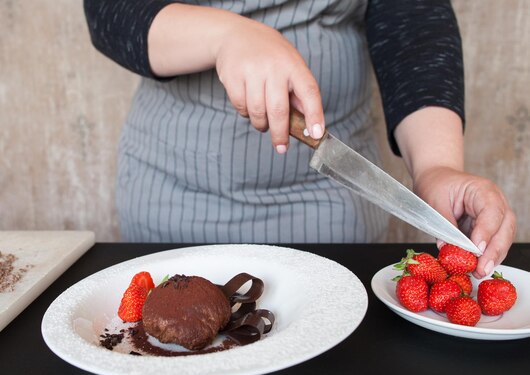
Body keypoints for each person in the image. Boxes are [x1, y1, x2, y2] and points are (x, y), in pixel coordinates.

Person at [83, 0, 515, 279]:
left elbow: (413, 18)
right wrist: (228, 34)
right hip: (175, 203)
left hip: (338, 216)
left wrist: (437, 166)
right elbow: (110, 11)